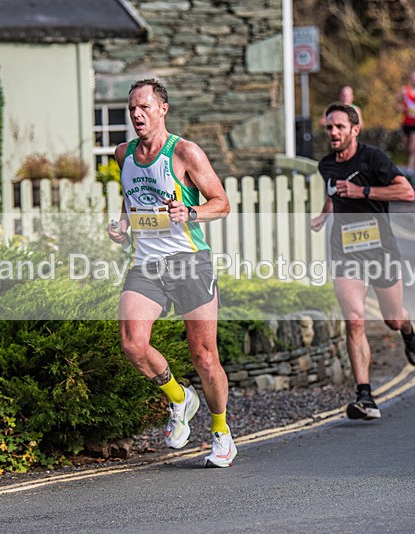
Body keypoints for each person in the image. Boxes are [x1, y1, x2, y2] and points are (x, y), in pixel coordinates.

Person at [107, 79, 236, 467]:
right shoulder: (122, 153)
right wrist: (123, 223)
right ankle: (180, 398)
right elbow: (132, 197)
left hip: (189, 261)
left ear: (163, 109)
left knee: (205, 356)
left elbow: (223, 203)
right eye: (132, 108)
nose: (136, 114)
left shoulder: (184, 152)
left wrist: (190, 212)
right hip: (147, 263)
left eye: (144, 107)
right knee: (132, 343)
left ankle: (221, 431)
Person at [309, 103, 415, 421]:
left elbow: (407, 193)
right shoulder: (326, 165)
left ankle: (407, 330)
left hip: (381, 250)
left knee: (392, 320)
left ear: (354, 130)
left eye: (340, 127)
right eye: (329, 127)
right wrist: (323, 215)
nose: (333, 132)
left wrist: (364, 191)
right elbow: (334, 192)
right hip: (344, 251)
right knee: (355, 320)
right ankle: (365, 396)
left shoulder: (374, 159)